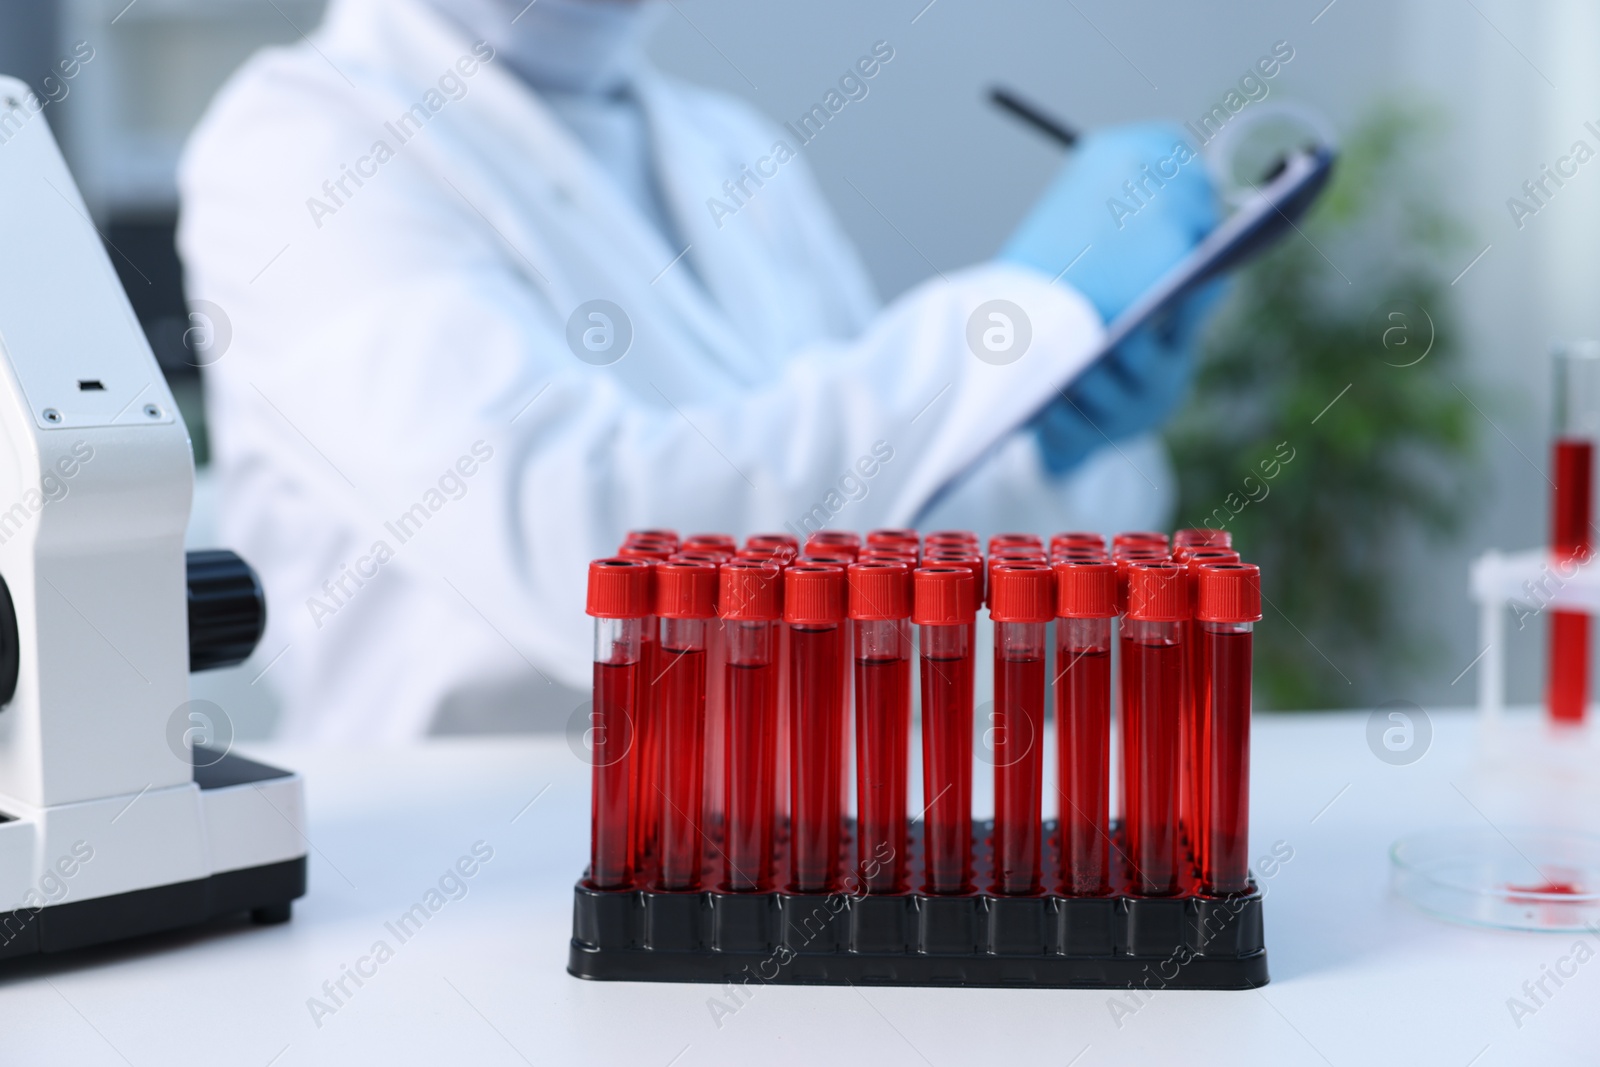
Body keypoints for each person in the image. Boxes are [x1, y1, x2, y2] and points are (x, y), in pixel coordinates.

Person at [177, 0, 1221, 741]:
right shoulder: (303, 141)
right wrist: (1012, 322)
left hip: (799, 832)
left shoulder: (729, 148)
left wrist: (1053, 436)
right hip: (480, 884)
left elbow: (872, 527)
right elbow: (598, 555)